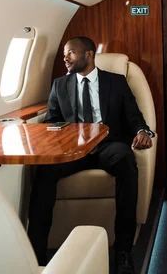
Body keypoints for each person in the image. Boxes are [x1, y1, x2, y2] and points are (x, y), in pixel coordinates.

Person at [28, 36, 154, 274]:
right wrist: (52, 135)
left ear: (88, 54)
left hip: (108, 144)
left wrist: (142, 131)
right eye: (65, 54)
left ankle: (123, 252)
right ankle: (36, 254)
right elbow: (51, 121)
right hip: (74, 149)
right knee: (44, 170)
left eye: (70, 53)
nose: (65, 58)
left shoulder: (116, 82)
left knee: (127, 161)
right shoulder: (60, 85)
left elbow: (133, 115)